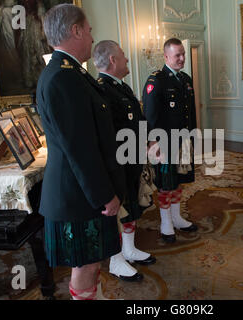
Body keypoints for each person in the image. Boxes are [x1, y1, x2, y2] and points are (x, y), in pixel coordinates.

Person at [37, 4, 126, 300]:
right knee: (85, 265)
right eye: (88, 30)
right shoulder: (63, 77)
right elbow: (80, 148)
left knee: (91, 262)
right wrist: (104, 194)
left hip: (80, 192)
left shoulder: (71, 72)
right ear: (75, 31)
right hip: (78, 195)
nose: (91, 37)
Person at [93, 40, 156, 282]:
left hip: (132, 159)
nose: (127, 59)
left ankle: (129, 249)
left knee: (131, 206)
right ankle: (116, 260)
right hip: (118, 162)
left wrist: (150, 139)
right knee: (119, 212)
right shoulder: (102, 90)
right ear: (112, 60)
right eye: (123, 55)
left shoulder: (122, 87)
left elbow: (138, 118)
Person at [142, 38, 198, 244]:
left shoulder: (186, 79)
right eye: (178, 55)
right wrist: (152, 143)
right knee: (166, 184)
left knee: (179, 181)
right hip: (164, 142)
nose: (183, 58)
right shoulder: (156, 80)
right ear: (166, 57)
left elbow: (190, 112)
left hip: (183, 141)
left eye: (183, 54)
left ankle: (176, 217)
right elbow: (149, 115)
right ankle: (166, 223)